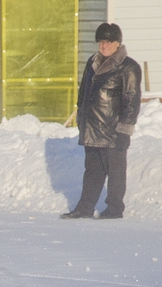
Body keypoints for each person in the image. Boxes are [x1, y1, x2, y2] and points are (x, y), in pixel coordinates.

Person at [61, 23, 141, 220]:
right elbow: (83, 93)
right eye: (101, 42)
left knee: (115, 173)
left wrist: (124, 129)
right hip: (92, 128)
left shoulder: (129, 67)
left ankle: (115, 209)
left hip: (113, 131)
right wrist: (81, 118)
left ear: (117, 44)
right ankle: (84, 208)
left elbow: (132, 100)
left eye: (108, 42)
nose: (103, 46)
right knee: (92, 172)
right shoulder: (92, 63)